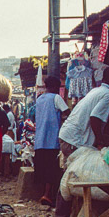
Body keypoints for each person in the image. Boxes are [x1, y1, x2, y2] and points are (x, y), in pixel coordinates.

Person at [55, 66, 109, 217]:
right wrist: (100, 141)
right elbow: (95, 119)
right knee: (71, 177)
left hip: (69, 136)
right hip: (75, 139)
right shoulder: (108, 94)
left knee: (72, 176)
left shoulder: (96, 91)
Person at [34, 75, 70, 206]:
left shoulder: (39, 99)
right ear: (55, 87)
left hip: (39, 139)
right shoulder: (56, 98)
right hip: (52, 139)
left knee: (42, 167)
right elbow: (68, 112)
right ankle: (47, 195)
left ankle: (43, 193)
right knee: (51, 168)